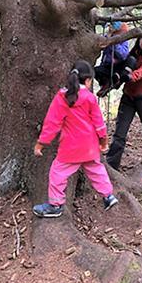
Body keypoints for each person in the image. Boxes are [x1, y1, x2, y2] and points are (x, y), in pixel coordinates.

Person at [32, 60, 118, 218]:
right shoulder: (90, 98)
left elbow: (52, 123)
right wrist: (103, 141)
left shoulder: (62, 97)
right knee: (96, 170)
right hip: (90, 146)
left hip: (70, 148)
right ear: (88, 80)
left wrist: (41, 143)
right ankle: (108, 196)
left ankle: (55, 205)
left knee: (57, 173)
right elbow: (99, 123)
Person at [106, 30, 142, 176]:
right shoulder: (132, 54)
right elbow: (119, 67)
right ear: (139, 40)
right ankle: (111, 166)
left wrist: (131, 76)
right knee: (119, 134)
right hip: (128, 98)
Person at [94, 21, 136, 97]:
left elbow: (123, 55)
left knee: (131, 59)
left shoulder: (124, 42)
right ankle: (106, 84)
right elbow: (103, 45)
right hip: (108, 66)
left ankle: (119, 79)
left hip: (119, 67)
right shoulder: (108, 38)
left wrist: (115, 43)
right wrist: (110, 36)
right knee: (95, 70)